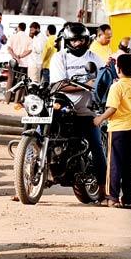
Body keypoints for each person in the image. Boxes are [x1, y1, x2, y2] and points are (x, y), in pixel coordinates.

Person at [49, 23, 107, 198]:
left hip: (87, 112)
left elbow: (101, 83)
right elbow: (58, 85)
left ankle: (104, 190)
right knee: (41, 132)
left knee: (97, 147)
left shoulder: (95, 59)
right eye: (74, 40)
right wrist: (86, 85)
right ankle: (28, 177)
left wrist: (86, 86)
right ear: (67, 41)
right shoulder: (60, 58)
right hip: (64, 109)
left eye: (81, 39)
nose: (78, 43)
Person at [94, 53, 131, 208]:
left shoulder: (117, 86)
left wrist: (100, 118)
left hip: (117, 129)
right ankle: (128, 199)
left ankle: (112, 197)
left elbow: (112, 108)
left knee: (114, 163)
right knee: (130, 165)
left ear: (118, 68)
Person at [4, 22, 31, 101]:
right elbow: (29, 51)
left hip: (13, 62)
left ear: (18, 28)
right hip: (24, 63)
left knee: (10, 79)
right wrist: (20, 56)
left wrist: (15, 57)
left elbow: (9, 48)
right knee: (21, 81)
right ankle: (17, 101)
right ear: (25, 28)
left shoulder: (13, 37)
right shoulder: (28, 38)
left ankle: (7, 99)